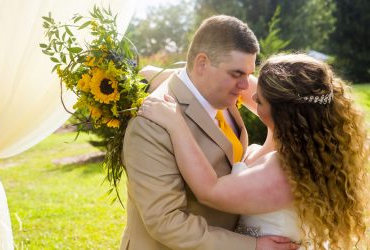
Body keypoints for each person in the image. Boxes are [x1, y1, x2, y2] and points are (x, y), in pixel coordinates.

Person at [138, 53, 370, 249]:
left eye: (259, 100)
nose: (251, 98)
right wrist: (150, 74)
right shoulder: (298, 142)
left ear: (283, 113)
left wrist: (175, 123)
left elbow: (209, 190)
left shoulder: (286, 171)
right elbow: (225, 80)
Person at [121, 15, 299, 250]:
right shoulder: (152, 124)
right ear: (202, 63)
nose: (247, 87)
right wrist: (252, 246)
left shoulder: (221, 93)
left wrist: (153, 73)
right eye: (237, 74)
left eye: (248, 74)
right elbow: (166, 222)